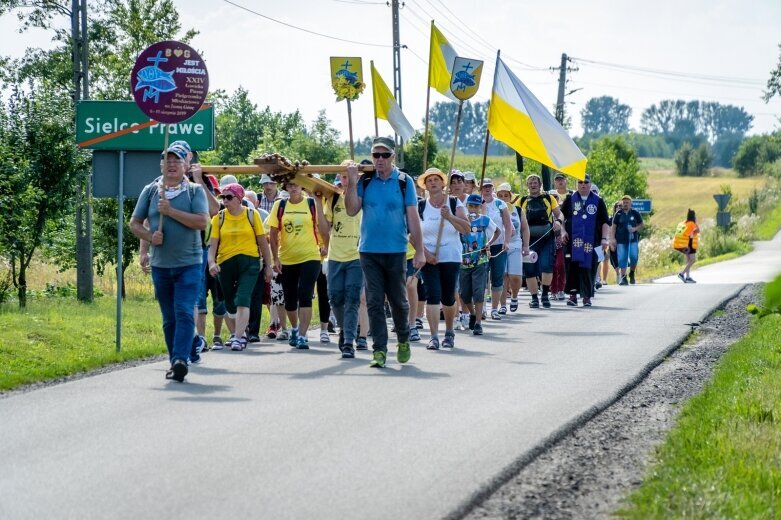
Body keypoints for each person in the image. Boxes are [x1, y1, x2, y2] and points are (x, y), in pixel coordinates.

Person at [129, 144, 209, 382]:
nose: (172, 164)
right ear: (161, 165)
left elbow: (202, 223)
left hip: (190, 264)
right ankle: (176, 358)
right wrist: (149, 237)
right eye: (167, 160)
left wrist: (171, 212)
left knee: (184, 311)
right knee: (169, 317)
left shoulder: (195, 191)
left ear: (185, 165)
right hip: (161, 266)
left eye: (177, 160)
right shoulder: (151, 191)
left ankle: (180, 360)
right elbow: (134, 223)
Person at [345, 136, 425, 368]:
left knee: (398, 300)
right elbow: (351, 210)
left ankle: (403, 339)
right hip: (369, 250)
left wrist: (419, 250)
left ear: (393, 157)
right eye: (375, 155)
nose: (379, 159)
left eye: (384, 155)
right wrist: (351, 182)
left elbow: (413, 217)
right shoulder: (365, 180)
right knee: (374, 301)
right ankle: (379, 350)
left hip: (396, 250)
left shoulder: (403, 181)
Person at [207, 183, 273, 351]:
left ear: (239, 198)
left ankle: (238, 338)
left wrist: (268, 266)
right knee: (229, 302)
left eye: (229, 197)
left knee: (243, 298)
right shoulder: (218, 218)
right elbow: (213, 245)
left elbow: (263, 242)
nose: (225, 201)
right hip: (225, 263)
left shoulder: (252, 215)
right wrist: (211, 263)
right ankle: (240, 333)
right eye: (223, 197)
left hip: (249, 262)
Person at [417, 168, 471, 350]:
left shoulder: (454, 203)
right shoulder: (421, 206)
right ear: (425, 185)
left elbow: (466, 229)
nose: (433, 182)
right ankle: (433, 336)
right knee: (432, 294)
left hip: (450, 257)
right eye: (429, 180)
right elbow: (412, 234)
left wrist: (450, 217)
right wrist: (424, 253)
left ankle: (449, 331)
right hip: (429, 259)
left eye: (436, 180)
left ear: (442, 183)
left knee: (448, 297)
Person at [268, 179, 323, 350]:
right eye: (290, 185)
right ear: (285, 187)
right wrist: (275, 258)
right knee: (290, 299)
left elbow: (320, 225)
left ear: (302, 186)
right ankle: (294, 328)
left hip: (310, 256)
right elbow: (273, 232)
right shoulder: (280, 205)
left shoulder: (311, 203)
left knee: (305, 294)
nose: (293, 187)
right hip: (287, 257)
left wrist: (323, 245)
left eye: (296, 184)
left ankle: (302, 335)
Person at [315, 171, 363, 358]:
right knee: (334, 298)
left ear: (357, 178)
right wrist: (318, 203)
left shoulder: (362, 198)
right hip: (335, 256)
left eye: (350, 176)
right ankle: (346, 329)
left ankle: (349, 341)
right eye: (343, 176)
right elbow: (325, 229)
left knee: (352, 299)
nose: (347, 180)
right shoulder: (333, 199)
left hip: (357, 257)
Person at [560, 174, 609, 307]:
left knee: (588, 268)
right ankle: (572, 296)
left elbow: (605, 221)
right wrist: (563, 231)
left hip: (592, 241)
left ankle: (587, 297)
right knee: (572, 267)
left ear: (590, 184)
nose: (583, 185)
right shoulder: (570, 199)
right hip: (572, 241)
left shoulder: (598, 200)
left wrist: (605, 238)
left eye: (586, 182)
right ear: (576, 184)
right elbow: (561, 217)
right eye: (580, 182)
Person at [519, 174, 562, 309]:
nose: (533, 184)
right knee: (530, 270)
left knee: (547, 266)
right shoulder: (521, 201)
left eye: (535, 182)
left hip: (547, 238)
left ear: (540, 184)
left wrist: (559, 222)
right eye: (530, 182)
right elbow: (514, 217)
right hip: (528, 240)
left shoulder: (549, 199)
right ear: (527, 185)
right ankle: (534, 298)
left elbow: (559, 214)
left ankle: (544, 294)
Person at [460, 194, 499, 335]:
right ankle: (472, 313)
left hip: (480, 260)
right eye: (470, 205)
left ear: (480, 207)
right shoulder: (462, 219)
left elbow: (497, 231)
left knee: (478, 292)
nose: (473, 208)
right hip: (464, 262)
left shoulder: (485, 220)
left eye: (476, 206)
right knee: (464, 294)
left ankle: (478, 323)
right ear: (467, 206)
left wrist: (488, 244)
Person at [479, 178, 514, 320]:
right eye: (484, 187)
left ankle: (494, 309)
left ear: (493, 189)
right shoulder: (477, 203)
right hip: (481, 246)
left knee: (497, 276)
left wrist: (506, 242)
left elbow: (507, 225)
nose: (487, 189)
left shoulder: (500, 204)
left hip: (498, 245)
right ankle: (481, 309)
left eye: (489, 187)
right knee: (481, 278)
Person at [496, 183, 529, 312]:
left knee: (515, 276)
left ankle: (514, 297)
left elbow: (525, 229)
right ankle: (503, 305)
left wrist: (526, 245)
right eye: (500, 196)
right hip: (499, 246)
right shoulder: (493, 210)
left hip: (515, 245)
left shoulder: (518, 210)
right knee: (503, 276)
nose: (503, 198)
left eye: (506, 195)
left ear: (510, 197)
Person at [610, 195, 645, 285]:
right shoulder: (618, 214)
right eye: (624, 202)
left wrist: (634, 229)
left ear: (630, 203)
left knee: (634, 257)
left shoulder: (635, 213)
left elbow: (641, 225)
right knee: (622, 258)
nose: (625, 204)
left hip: (633, 240)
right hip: (621, 240)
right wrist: (612, 239)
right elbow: (613, 227)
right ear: (622, 203)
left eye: (627, 202)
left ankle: (632, 273)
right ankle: (623, 277)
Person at [673, 209, 700, 283]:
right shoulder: (692, 223)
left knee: (688, 260)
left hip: (683, 244)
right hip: (690, 244)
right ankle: (682, 274)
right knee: (692, 260)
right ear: (694, 216)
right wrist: (695, 222)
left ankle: (688, 277)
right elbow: (698, 230)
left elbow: (687, 232)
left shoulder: (685, 223)